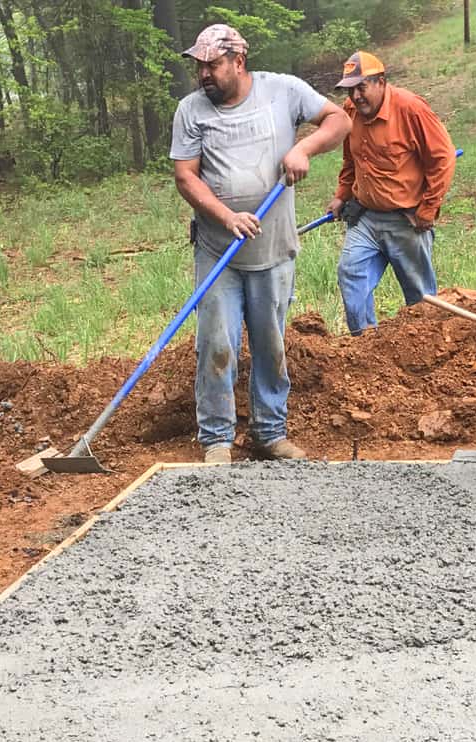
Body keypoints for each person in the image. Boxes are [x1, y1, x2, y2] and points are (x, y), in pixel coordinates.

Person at [171, 23, 350, 463]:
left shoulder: (282, 91)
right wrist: (227, 216)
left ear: (238, 61)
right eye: (200, 67)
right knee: (217, 343)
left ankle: (269, 433)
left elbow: (339, 120)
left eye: (213, 65)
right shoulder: (191, 111)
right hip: (219, 252)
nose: (205, 75)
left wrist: (305, 149)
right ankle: (216, 438)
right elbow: (185, 175)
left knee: (270, 344)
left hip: (273, 251)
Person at [324, 51, 456, 334]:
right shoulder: (350, 112)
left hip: (407, 221)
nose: (356, 97)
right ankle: (365, 346)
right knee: (351, 273)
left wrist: (428, 209)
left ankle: (426, 351)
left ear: (381, 82)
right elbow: (351, 161)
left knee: (420, 298)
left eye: (362, 87)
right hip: (366, 217)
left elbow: (443, 158)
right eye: (350, 90)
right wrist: (341, 195)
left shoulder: (411, 109)